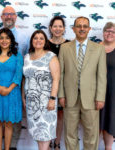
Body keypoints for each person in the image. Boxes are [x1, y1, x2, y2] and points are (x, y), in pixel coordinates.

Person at [58, 16, 107, 150]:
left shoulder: (98, 49)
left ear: (89, 29)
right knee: (70, 133)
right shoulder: (64, 48)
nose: (82, 29)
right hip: (69, 98)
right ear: (73, 29)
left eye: (85, 26)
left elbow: (101, 75)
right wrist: (61, 95)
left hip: (91, 99)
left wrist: (100, 97)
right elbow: (61, 74)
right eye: (79, 26)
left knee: (91, 134)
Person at [0, 6, 29, 150]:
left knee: (11, 122)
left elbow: (18, 75)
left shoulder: (18, 53)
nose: (4, 40)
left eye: (7, 38)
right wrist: (0, 88)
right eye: (1, 38)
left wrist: (9, 88)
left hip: (13, 91)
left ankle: (10, 147)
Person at [22, 30, 60, 150]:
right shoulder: (27, 57)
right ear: (32, 41)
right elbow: (25, 79)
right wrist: (23, 97)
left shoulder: (51, 56)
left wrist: (52, 99)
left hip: (46, 100)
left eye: (41, 38)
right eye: (35, 38)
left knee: (45, 131)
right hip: (31, 101)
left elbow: (56, 79)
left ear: (45, 41)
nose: (38, 41)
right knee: (37, 132)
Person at [48, 16, 70, 150]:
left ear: (64, 28)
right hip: (48, 84)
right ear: (50, 28)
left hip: (64, 85)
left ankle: (57, 143)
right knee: (49, 113)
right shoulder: (45, 43)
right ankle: (49, 142)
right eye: (55, 26)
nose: (57, 29)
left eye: (60, 26)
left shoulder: (69, 44)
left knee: (60, 115)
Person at [100, 22, 115, 150]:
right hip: (96, 91)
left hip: (112, 92)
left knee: (110, 121)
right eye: (107, 31)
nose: (110, 33)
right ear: (103, 32)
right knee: (95, 123)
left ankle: (108, 148)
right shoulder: (95, 47)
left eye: (113, 32)